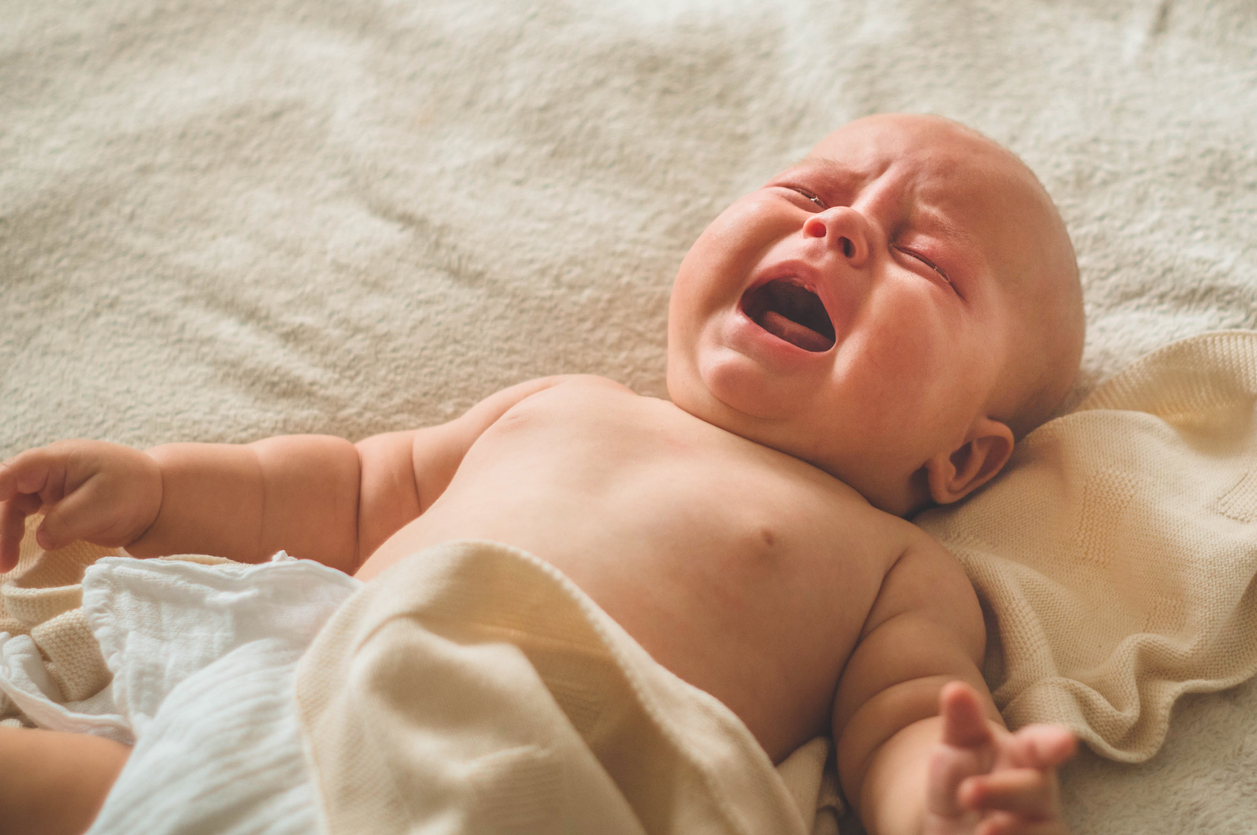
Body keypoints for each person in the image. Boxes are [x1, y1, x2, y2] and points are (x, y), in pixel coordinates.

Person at [0, 112, 1086, 835]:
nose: (844, 225)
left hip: (528, 784)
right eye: (807, 192)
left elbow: (897, 720)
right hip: (293, 714)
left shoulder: (892, 566)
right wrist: (157, 488)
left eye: (926, 259)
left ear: (962, 457)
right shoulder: (562, 404)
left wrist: (944, 794)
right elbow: (339, 490)